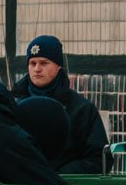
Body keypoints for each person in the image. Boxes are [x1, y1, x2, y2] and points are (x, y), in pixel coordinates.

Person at [11, 34, 109, 174]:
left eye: (44, 63)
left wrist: (59, 175)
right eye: (32, 63)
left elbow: (99, 159)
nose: (37, 69)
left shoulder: (81, 109)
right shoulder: (11, 105)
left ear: (58, 67)